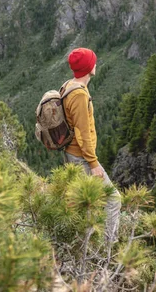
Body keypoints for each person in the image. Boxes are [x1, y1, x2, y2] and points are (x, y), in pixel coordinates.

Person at [63, 47, 121, 243]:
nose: (96, 64)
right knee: (113, 199)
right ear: (88, 67)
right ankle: (107, 248)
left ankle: (84, 246)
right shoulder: (79, 95)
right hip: (81, 158)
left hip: (74, 155)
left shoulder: (69, 85)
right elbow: (83, 133)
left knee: (87, 206)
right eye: (93, 61)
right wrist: (94, 163)